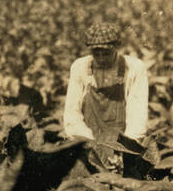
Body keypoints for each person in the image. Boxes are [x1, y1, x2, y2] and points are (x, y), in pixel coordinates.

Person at [62, 20, 149, 168]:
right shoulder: (80, 67)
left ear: (116, 47)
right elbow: (72, 114)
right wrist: (89, 146)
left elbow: (137, 114)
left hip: (122, 142)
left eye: (106, 53)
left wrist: (126, 151)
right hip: (87, 141)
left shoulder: (134, 68)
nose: (101, 59)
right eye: (96, 53)